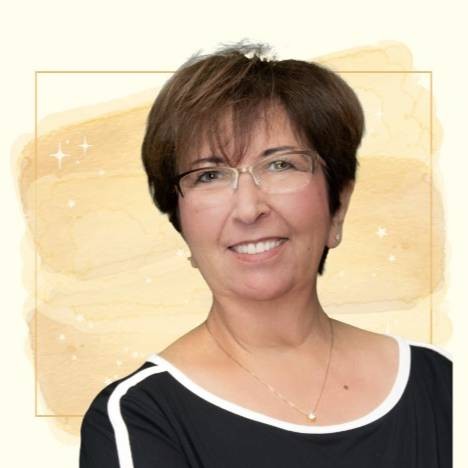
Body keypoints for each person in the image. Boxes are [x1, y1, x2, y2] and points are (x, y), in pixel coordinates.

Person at [79, 43, 452, 468]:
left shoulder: (441, 384)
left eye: (280, 165)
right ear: (179, 222)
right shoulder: (139, 416)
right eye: (209, 175)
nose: (248, 208)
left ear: (338, 206)